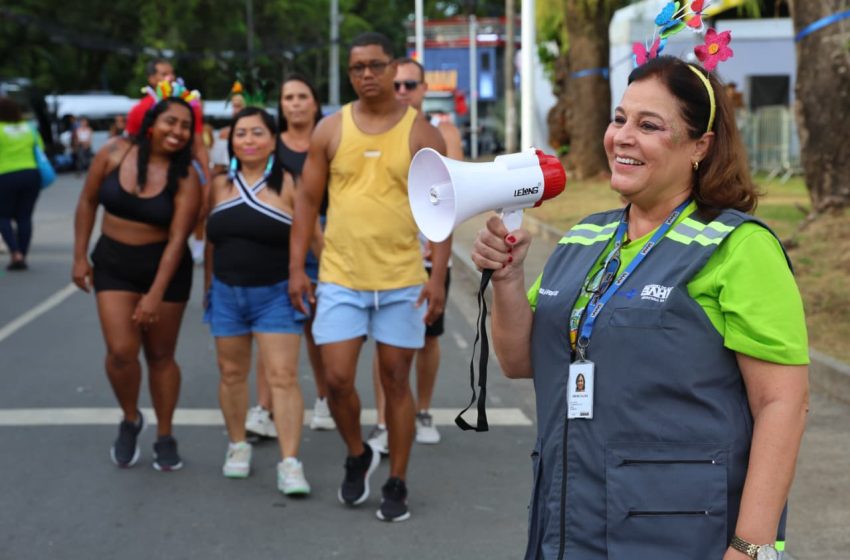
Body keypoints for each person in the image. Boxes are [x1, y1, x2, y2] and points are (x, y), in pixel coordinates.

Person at [472, 55, 809, 559]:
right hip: (568, 525)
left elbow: (782, 404)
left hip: (679, 537)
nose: (623, 136)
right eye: (619, 119)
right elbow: (521, 360)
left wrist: (751, 548)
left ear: (701, 146)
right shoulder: (587, 236)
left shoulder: (739, 246)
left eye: (649, 125)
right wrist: (508, 278)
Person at [289, 31, 448, 522]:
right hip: (340, 277)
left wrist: (438, 277)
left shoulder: (422, 132)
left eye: (375, 66)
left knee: (395, 381)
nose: (366, 76)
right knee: (336, 380)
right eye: (357, 68)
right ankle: (358, 452)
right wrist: (297, 267)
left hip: (402, 279)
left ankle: (396, 480)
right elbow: (307, 203)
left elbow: (444, 206)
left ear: (392, 68)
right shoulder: (330, 130)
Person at [72, 93, 201, 472]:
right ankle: (130, 419)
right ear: (151, 123)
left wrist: (155, 295)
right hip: (113, 264)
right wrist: (80, 255)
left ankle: (165, 434)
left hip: (165, 270)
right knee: (121, 351)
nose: (176, 132)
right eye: (170, 122)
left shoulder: (187, 175)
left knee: (161, 356)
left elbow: (179, 239)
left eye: (184, 126)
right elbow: (87, 201)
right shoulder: (114, 152)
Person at [204, 107, 315, 495]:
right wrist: (209, 290)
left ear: (272, 139)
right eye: (241, 133)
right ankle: (237, 445)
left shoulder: (290, 183)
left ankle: (290, 462)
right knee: (231, 375)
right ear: (231, 141)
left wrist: (310, 279)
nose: (248, 140)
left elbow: (312, 239)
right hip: (226, 294)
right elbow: (210, 244)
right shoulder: (218, 185)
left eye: (257, 133)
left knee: (283, 377)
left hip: (277, 295)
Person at [368, 57, 464, 451]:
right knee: (385, 340)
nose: (403, 91)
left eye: (411, 85)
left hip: (429, 252)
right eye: (398, 85)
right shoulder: (375, 129)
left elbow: (459, 193)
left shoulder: (444, 132)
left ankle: (421, 410)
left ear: (425, 90)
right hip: (388, 254)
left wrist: (440, 260)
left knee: (426, 338)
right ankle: (382, 419)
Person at [244, 73, 333, 440]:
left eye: (301, 96)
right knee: (274, 327)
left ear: (314, 102)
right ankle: (264, 408)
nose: (294, 103)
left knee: (317, 328)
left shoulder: (330, 139)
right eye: (287, 98)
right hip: (278, 238)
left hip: (327, 234)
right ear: (280, 106)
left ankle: (325, 399)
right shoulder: (271, 145)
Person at [0, 97, 43, 271]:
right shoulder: (29, 128)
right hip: (31, 173)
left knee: (3, 216)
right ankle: (23, 254)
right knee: (24, 217)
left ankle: (15, 252)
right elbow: (40, 148)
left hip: (5, 175)